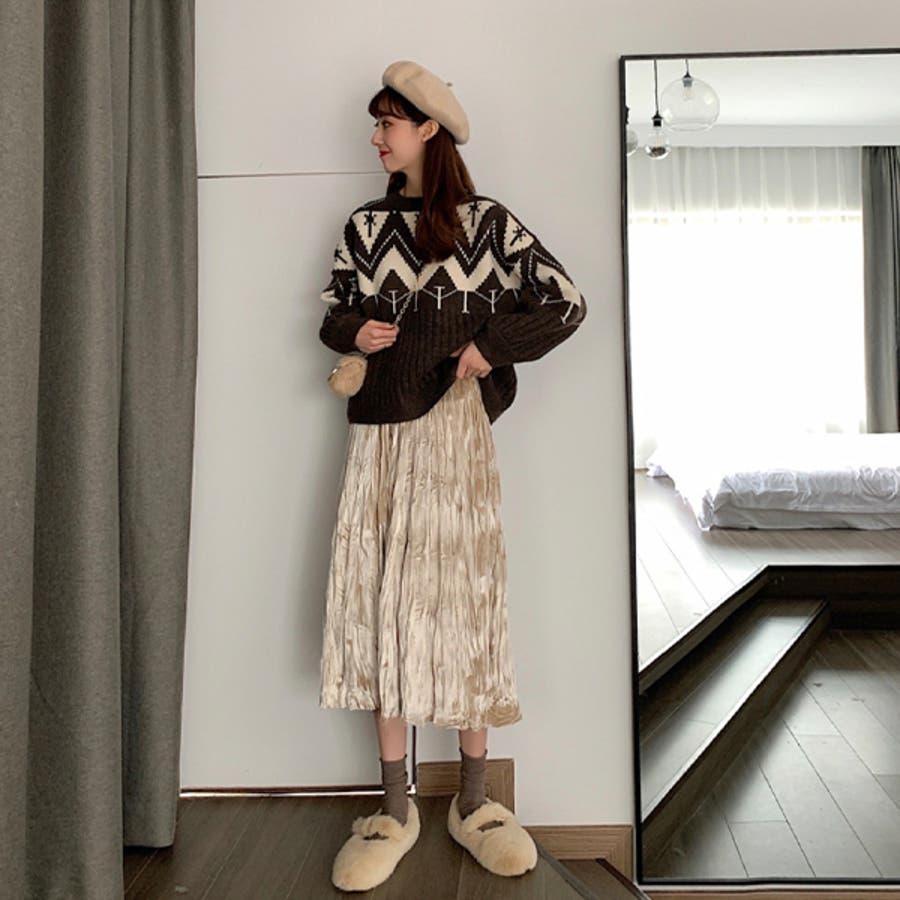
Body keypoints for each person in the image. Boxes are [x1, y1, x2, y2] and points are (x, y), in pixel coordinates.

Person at [317, 59, 588, 892]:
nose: (376, 137)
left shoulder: (488, 225)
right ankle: (394, 809)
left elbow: (565, 302)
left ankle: (475, 803)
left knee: (463, 605)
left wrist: (489, 347)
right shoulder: (365, 226)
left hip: (455, 435)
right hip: (379, 439)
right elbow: (333, 311)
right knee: (385, 608)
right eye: (376, 123)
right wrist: (354, 333)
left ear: (428, 128)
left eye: (387, 123)